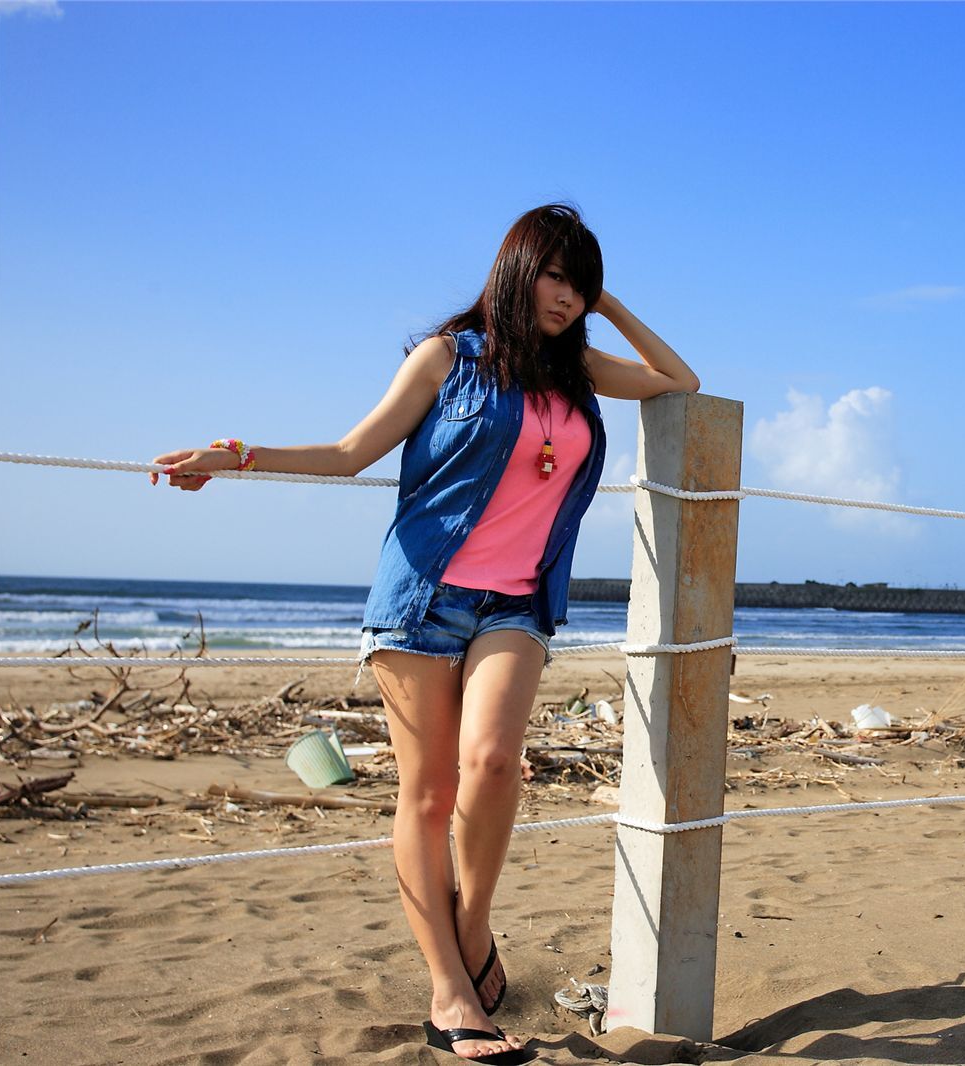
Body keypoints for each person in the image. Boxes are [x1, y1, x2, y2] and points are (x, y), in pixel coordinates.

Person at [152, 204, 700, 1063]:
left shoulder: (580, 370)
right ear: (516, 270)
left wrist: (610, 306)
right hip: (423, 600)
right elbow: (350, 451)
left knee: (491, 764)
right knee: (428, 793)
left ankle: (472, 932)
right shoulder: (446, 358)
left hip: (516, 603)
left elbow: (680, 381)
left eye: (579, 282)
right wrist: (236, 454)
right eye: (555, 276)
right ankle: (453, 995)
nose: (566, 296)